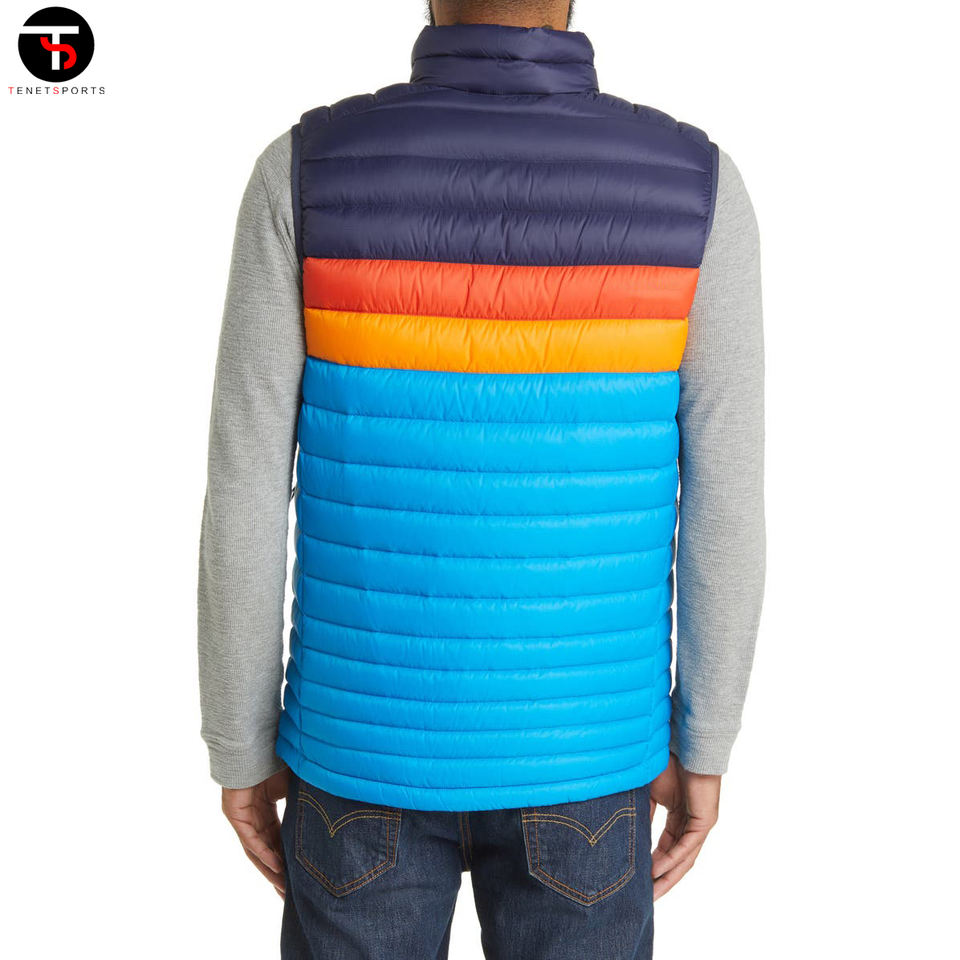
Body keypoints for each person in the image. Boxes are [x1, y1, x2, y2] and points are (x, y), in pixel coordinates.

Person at [197, 1, 766, 956]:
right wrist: (705, 743)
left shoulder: (304, 169)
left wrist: (238, 741)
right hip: (585, 758)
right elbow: (728, 500)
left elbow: (245, 485)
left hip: (357, 755)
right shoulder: (697, 187)